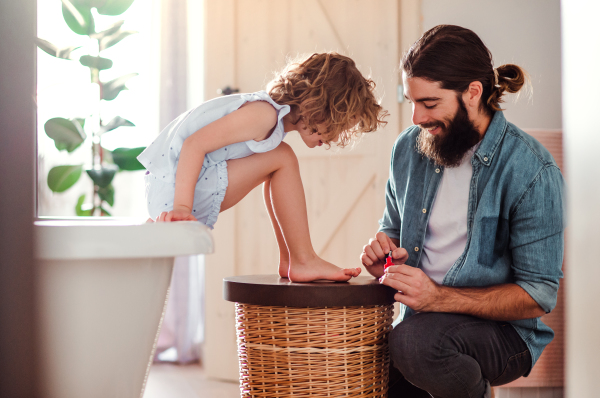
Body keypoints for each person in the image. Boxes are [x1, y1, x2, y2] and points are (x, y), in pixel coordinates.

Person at [360, 25, 565, 398]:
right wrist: (385, 259)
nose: (416, 118)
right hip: (424, 322)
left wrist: (438, 298)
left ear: (473, 92)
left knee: (414, 344)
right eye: (412, 101)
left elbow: (538, 295)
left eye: (430, 103)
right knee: (380, 365)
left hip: (506, 333)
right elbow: (391, 228)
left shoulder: (531, 169)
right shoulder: (408, 148)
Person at [138, 52, 388, 283]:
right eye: (337, 125)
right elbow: (193, 145)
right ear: (318, 105)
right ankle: (302, 260)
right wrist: (181, 208)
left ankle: (291, 260)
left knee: (278, 160)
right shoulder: (263, 115)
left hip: (175, 186)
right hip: (176, 190)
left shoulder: (270, 119)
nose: (334, 137)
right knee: (283, 158)